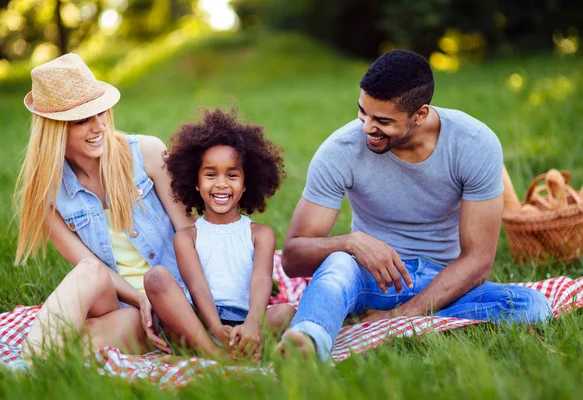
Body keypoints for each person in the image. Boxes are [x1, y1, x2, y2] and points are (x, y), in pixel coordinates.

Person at [275, 50, 553, 360]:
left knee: (532, 306)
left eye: (382, 120)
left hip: (444, 283)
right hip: (370, 278)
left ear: (420, 114)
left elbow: (478, 260)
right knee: (339, 263)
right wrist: (351, 242)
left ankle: (376, 325)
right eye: (362, 113)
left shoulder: (474, 143)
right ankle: (308, 345)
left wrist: (401, 316)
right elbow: (293, 258)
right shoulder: (340, 151)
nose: (367, 127)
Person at [14, 53, 196, 361]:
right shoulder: (47, 193)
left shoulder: (148, 154)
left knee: (75, 347)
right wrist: (139, 299)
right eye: (83, 120)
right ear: (55, 130)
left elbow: (191, 236)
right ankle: (24, 369)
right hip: (122, 300)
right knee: (88, 271)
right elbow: (88, 264)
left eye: (101, 112)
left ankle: (32, 365)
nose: (99, 126)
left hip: (174, 297)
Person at [144, 109, 295, 361]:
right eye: (211, 174)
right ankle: (214, 352)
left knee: (286, 312)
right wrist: (214, 327)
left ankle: (245, 346)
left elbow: (260, 281)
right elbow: (198, 286)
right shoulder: (187, 237)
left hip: (246, 321)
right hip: (199, 323)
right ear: (196, 182)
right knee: (156, 277)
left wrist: (252, 325)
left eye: (232, 175)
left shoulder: (261, 234)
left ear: (246, 184)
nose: (222, 183)